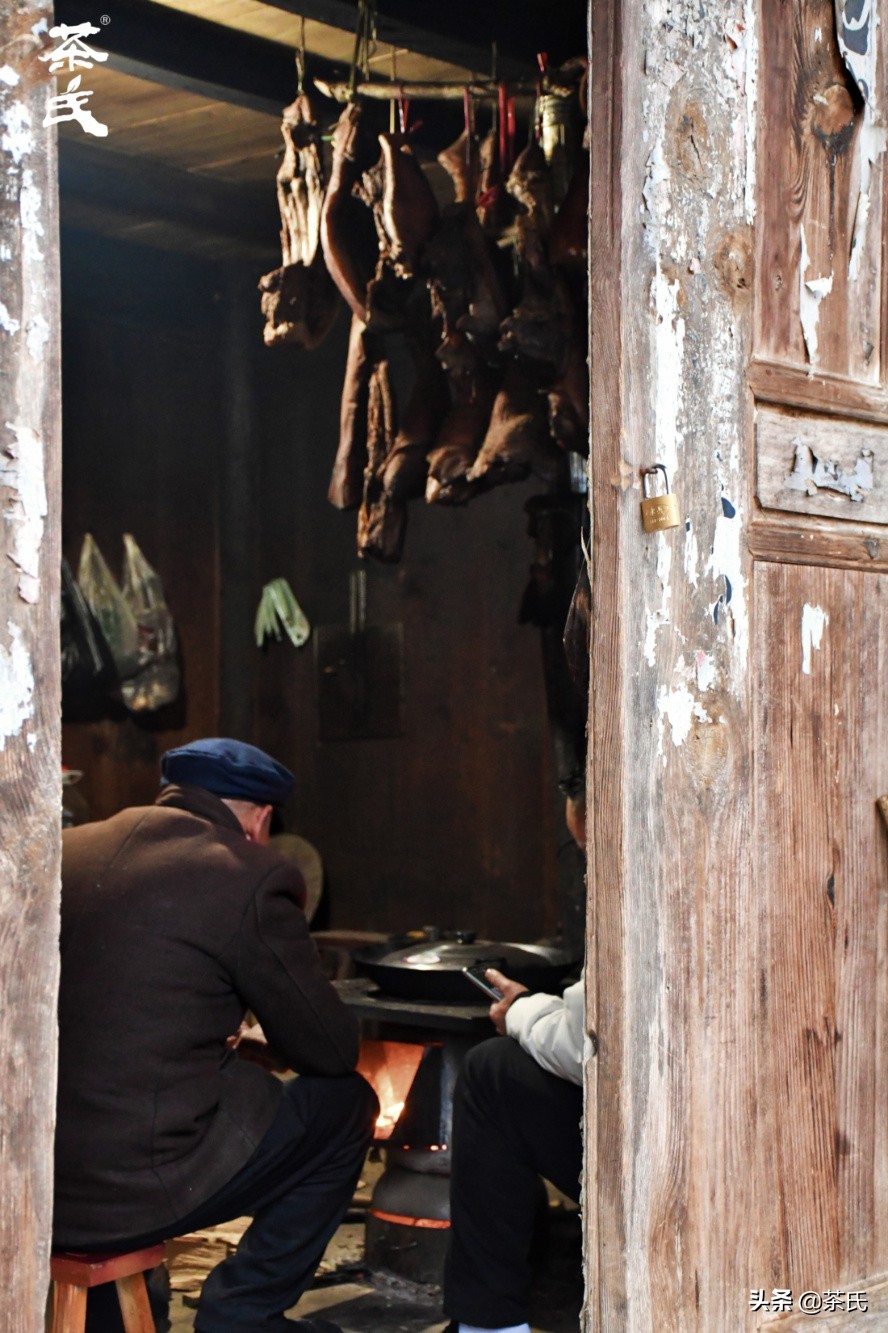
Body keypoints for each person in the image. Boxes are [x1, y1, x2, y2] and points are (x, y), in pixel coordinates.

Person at [54, 737, 377, 1333]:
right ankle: (242, 1315)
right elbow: (328, 1051)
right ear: (260, 819)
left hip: (35, 1172)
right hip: (130, 1188)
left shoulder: (64, 850)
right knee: (344, 1104)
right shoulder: (249, 872)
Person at [442, 797, 591, 1333]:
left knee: (492, 1071)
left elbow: (586, 1048)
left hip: (675, 1159)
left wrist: (521, 1012)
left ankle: (488, 1324)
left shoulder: (644, 863)